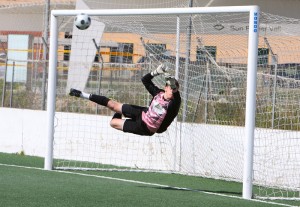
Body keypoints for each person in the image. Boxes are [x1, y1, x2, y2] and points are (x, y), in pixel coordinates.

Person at [69, 64, 181, 136]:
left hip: (144, 127)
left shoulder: (174, 103)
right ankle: (81, 94)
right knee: (113, 104)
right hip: (142, 113)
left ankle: (119, 112)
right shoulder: (158, 93)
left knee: (113, 123)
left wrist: (167, 75)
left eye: (175, 88)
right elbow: (145, 80)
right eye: (170, 87)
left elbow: (174, 90)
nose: (172, 90)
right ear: (165, 87)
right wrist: (155, 72)